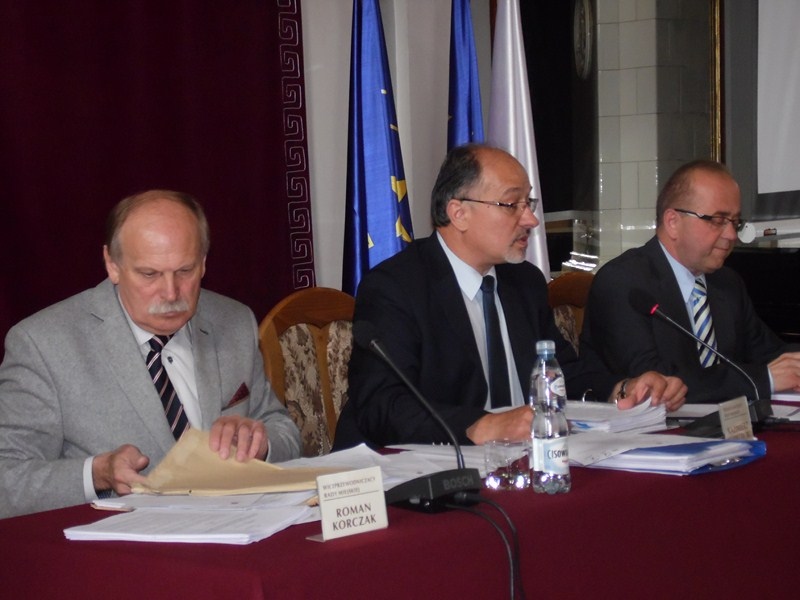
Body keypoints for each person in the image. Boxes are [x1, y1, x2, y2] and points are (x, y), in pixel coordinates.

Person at [333, 144, 686, 450]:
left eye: (528, 203)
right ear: (459, 213)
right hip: (416, 473)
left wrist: (623, 389)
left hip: (520, 461)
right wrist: (481, 425)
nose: (531, 219)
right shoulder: (396, 287)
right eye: (511, 204)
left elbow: (563, 372)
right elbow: (383, 404)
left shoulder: (524, 282)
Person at [0, 190, 301, 518]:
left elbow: (281, 428)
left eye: (184, 271)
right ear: (112, 265)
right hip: (117, 543)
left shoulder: (234, 321)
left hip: (237, 529)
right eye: (149, 274)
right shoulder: (44, 344)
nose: (171, 293)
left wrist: (261, 444)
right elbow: (7, 479)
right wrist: (96, 473)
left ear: (203, 263)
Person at [580, 159, 800, 404]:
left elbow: (770, 353)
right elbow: (657, 384)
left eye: (735, 222)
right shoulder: (622, 283)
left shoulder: (727, 283)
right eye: (717, 220)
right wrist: (763, 379)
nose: (731, 235)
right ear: (673, 222)